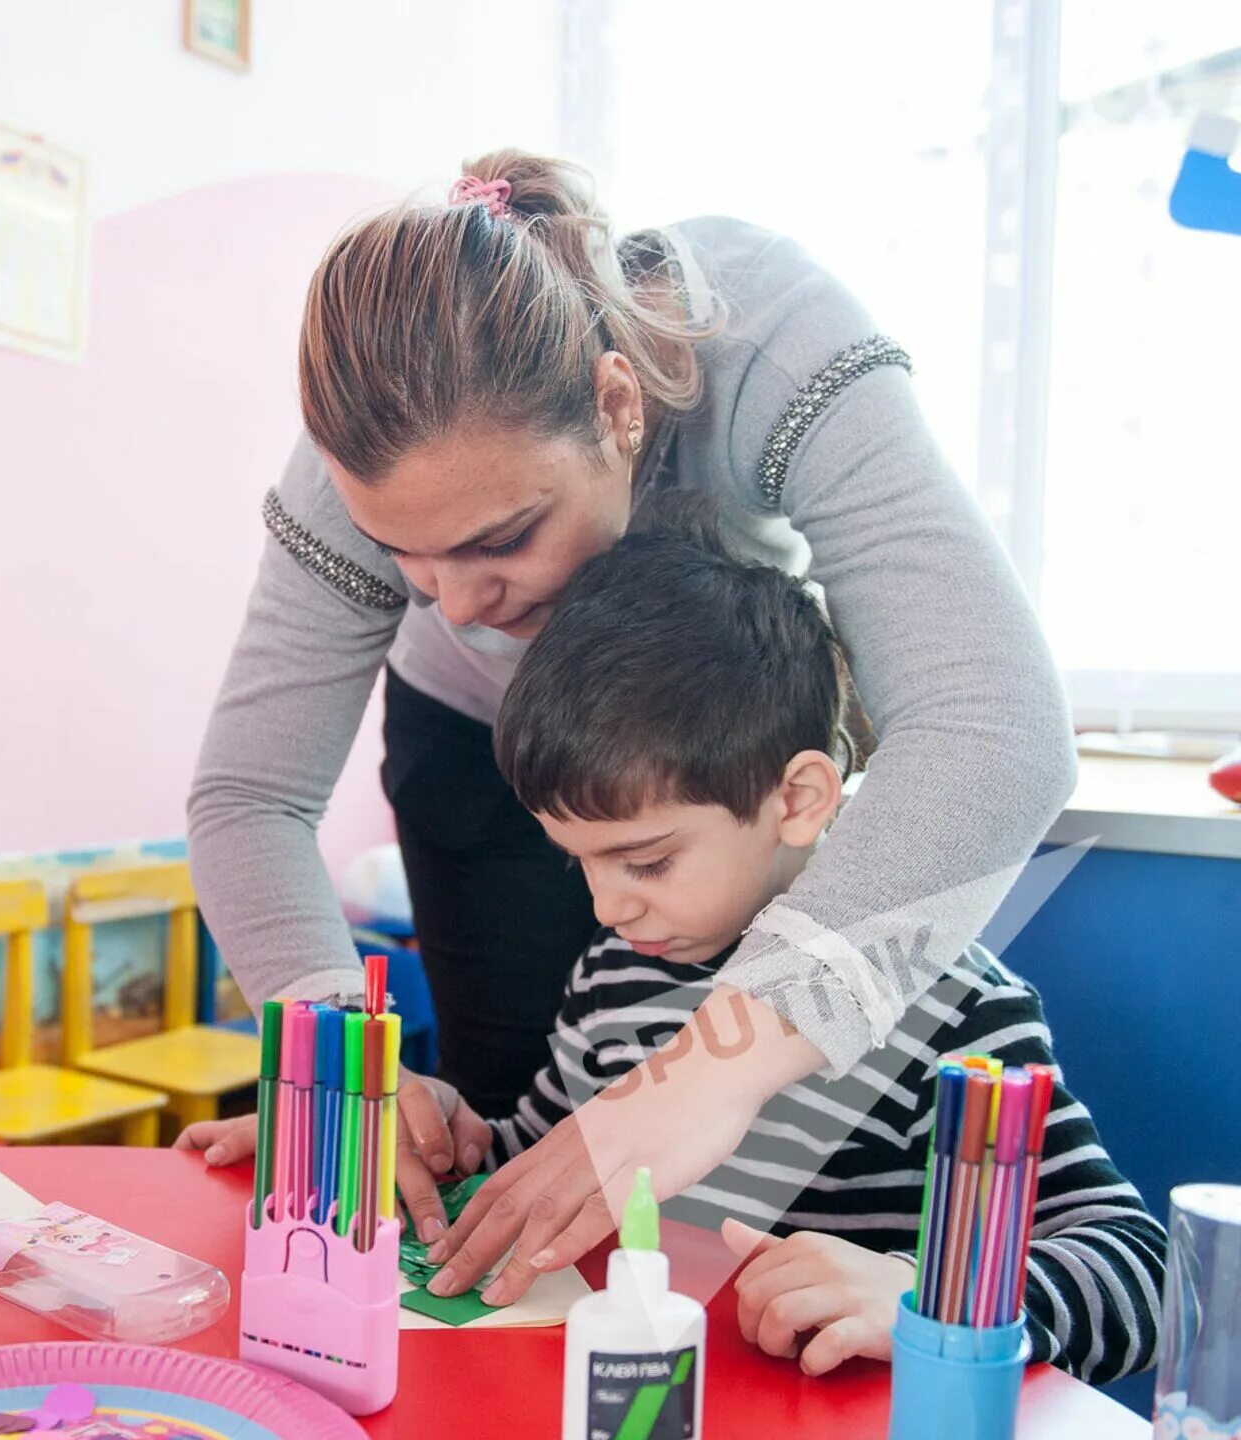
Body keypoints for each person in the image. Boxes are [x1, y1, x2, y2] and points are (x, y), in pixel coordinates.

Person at [188, 148, 1076, 1218]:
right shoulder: (362, 465)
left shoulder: (767, 340)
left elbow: (996, 722)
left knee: (729, 1122)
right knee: (535, 1156)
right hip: (483, 750)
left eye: (501, 540)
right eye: (408, 561)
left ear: (617, 407)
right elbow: (251, 798)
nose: (456, 607)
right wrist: (337, 1078)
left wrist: (710, 1068)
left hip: (707, 735)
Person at [182, 511, 1160, 1382]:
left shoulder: (952, 1005)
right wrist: (395, 1135)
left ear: (799, 799)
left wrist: (925, 1297)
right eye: (580, 866)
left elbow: (1134, 1265)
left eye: (645, 861)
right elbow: (544, 1168)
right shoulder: (614, 981)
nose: (609, 908)